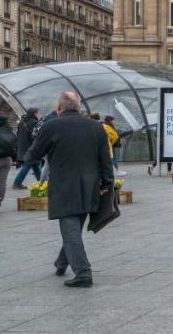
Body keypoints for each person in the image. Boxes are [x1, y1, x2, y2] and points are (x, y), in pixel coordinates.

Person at [25, 92, 113, 287]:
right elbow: (105, 159)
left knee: (70, 231)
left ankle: (83, 273)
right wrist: (107, 184)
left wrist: (30, 156)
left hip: (64, 186)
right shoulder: (96, 127)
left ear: (59, 107)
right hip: (90, 186)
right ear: (78, 107)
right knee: (73, 228)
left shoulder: (51, 126)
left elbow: (34, 154)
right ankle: (62, 262)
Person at [12, 107, 41, 189]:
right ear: (35, 113)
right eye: (37, 113)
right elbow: (36, 136)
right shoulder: (34, 122)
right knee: (27, 165)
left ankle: (42, 182)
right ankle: (17, 183)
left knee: (35, 165)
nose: (38, 115)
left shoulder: (22, 121)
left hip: (22, 146)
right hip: (30, 147)